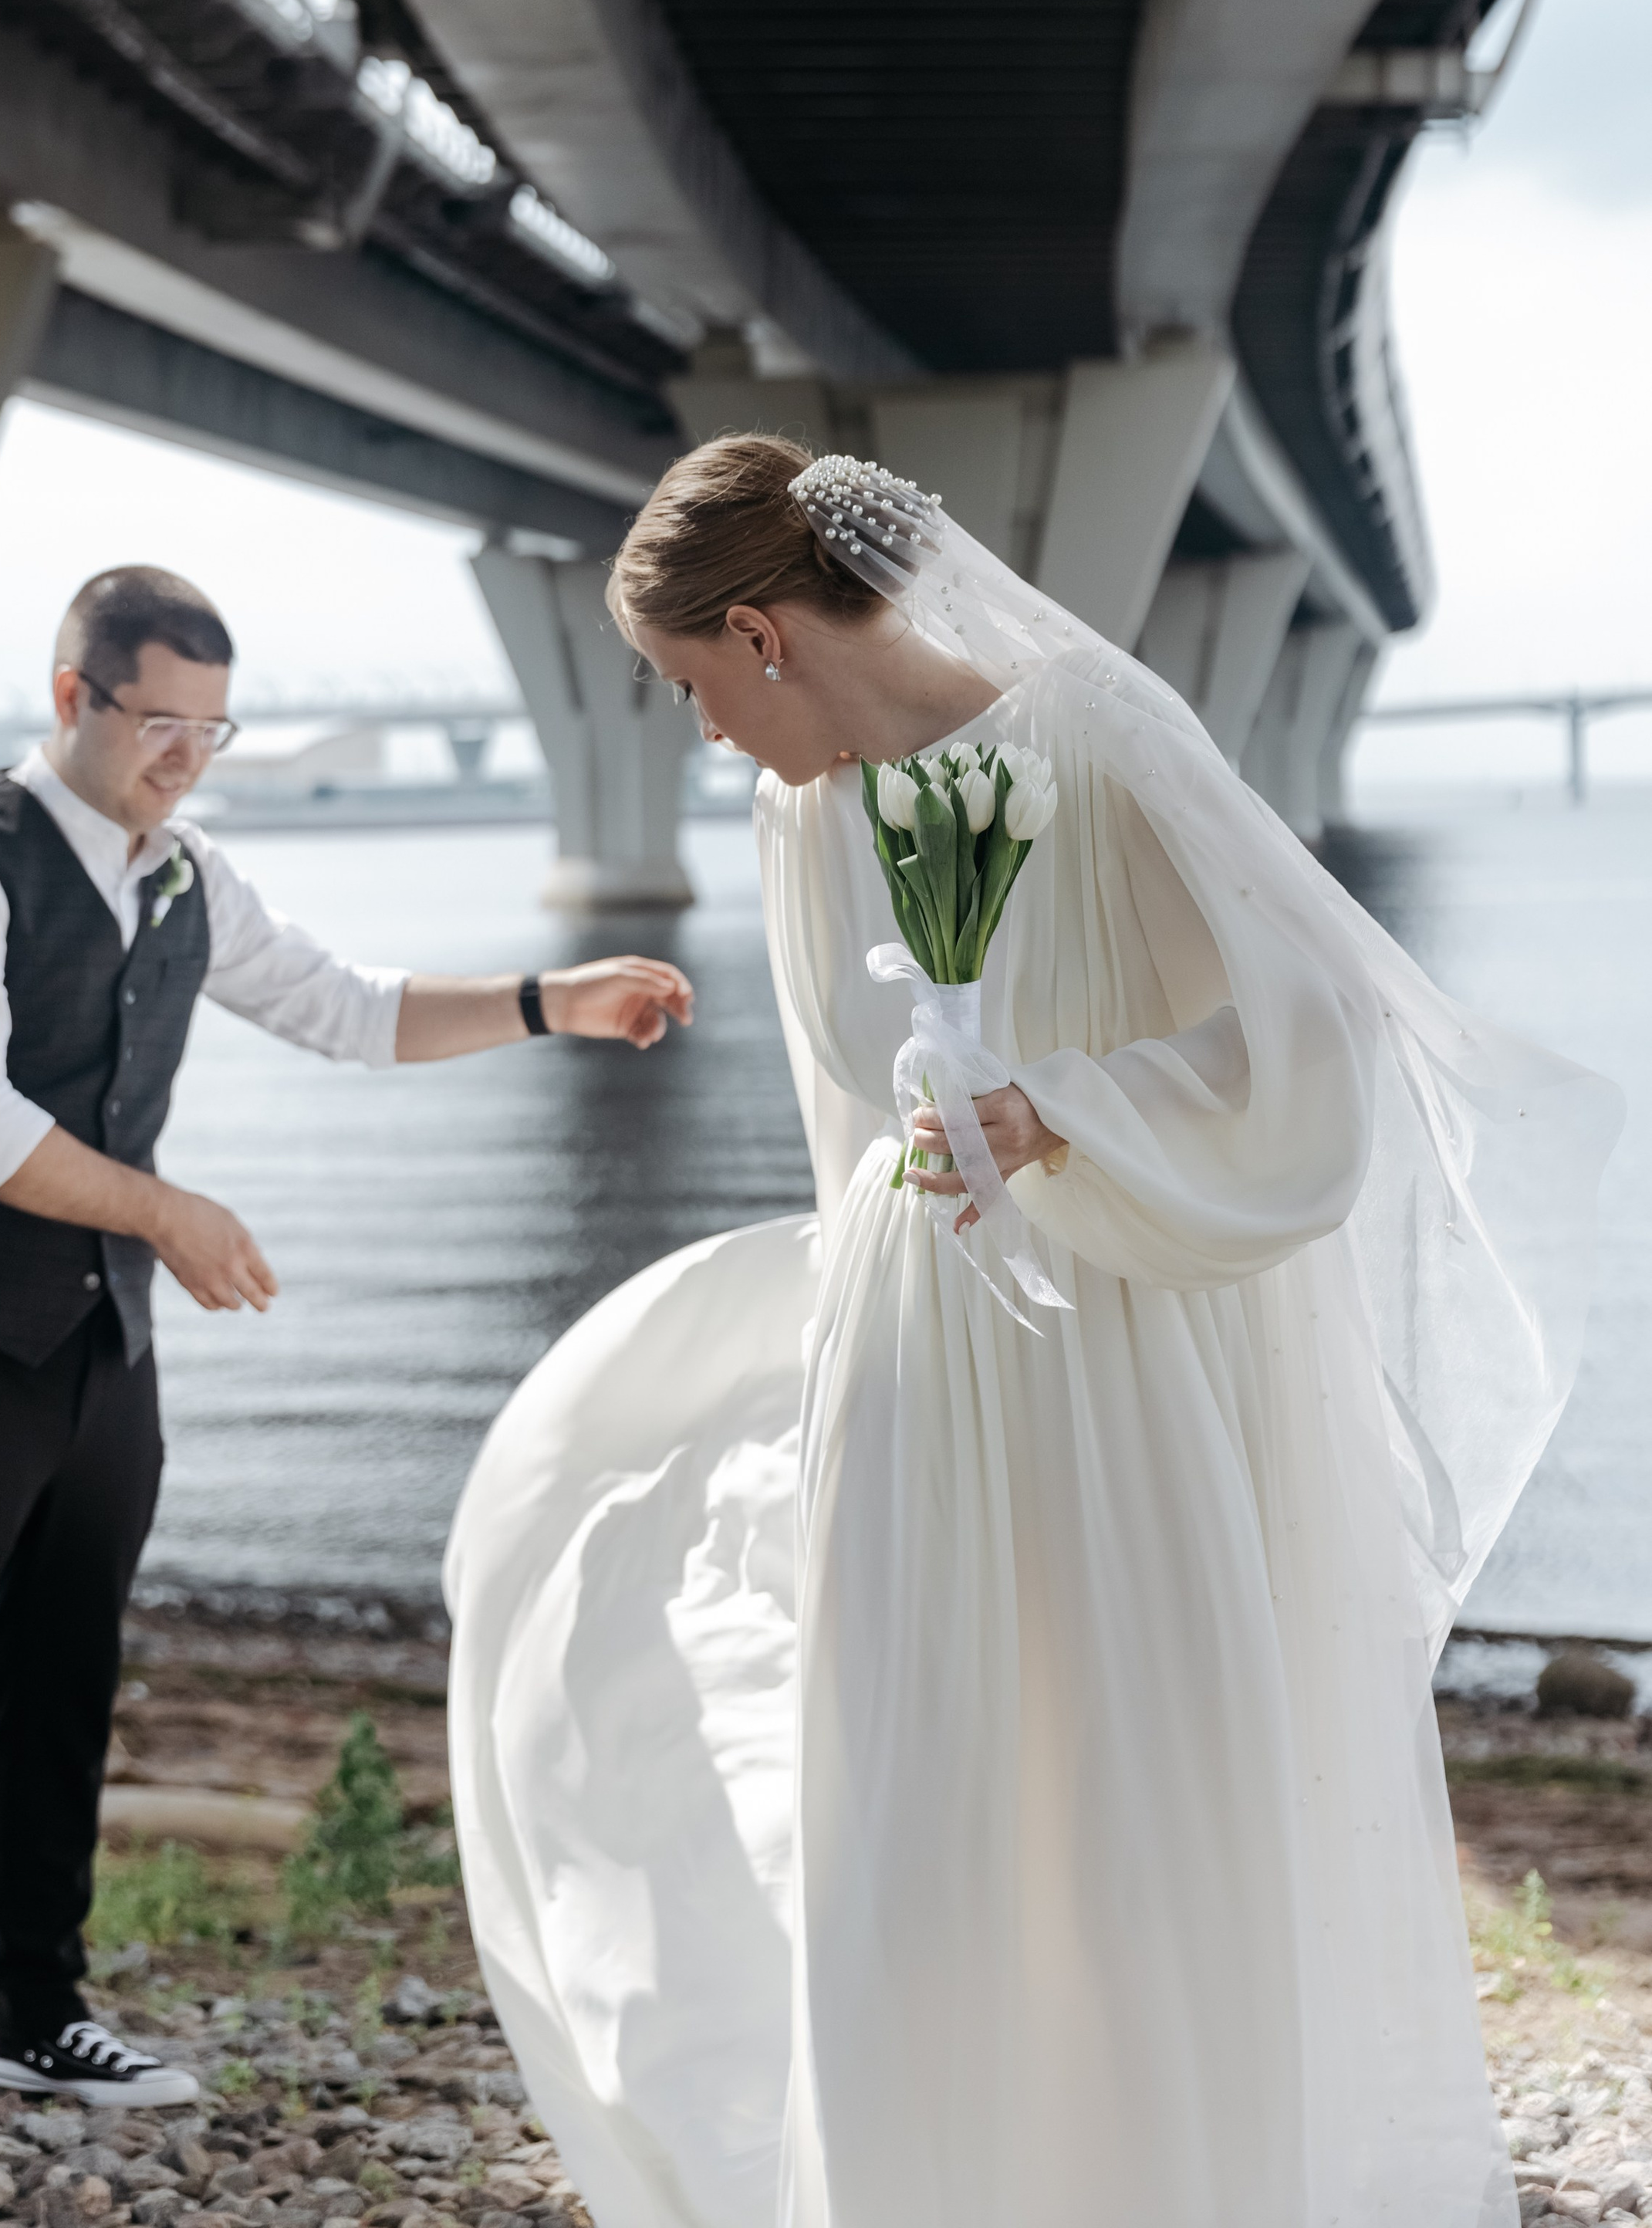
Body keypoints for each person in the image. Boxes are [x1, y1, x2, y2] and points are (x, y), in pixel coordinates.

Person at [444, 436, 1622, 2228]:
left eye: (691, 688)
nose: (699, 738)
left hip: (1118, 1364)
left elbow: (1305, 1048)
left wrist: (1064, 1107)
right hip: (915, 1373)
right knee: (917, 1814)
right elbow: (855, 1144)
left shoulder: (1096, 740)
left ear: (761, 636)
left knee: (1132, 1812)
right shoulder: (801, 815)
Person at [0, 565, 691, 2172]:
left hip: (100, 1342)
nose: (187, 760)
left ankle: (34, 2015)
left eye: (213, 734)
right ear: (73, 696)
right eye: (162, 725)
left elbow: (345, 1010)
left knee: (65, 1678)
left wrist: (542, 1000)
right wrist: (166, 1209)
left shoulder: (186, 874)